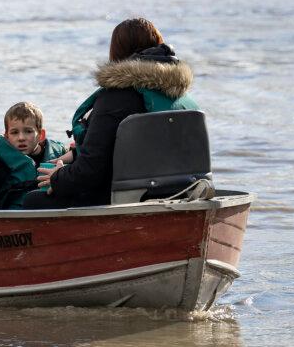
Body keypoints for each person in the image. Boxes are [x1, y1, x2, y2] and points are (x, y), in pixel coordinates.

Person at [22, 17, 198, 210]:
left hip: (121, 199)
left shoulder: (115, 99)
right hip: (182, 191)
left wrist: (58, 178)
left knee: (31, 199)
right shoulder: (182, 99)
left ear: (117, 52)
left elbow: (90, 172)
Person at [0, 101, 69, 209]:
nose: (21, 138)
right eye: (14, 132)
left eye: (28, 131)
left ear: (41, 135)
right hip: (15, 213)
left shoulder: (60, 153)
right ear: (6, 137)